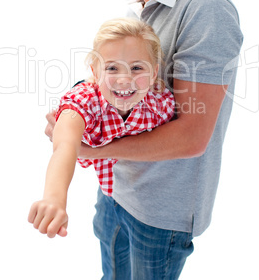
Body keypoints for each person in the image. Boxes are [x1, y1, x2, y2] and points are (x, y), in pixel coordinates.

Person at [44, 0, 243, 279]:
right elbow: (110, 82)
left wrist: (92, 150)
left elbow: (192, 136)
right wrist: (75, 110)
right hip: (118, 192)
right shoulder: (148, 4)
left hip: (160, 215)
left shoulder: (205, 10)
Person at [29, 17, 175, 238]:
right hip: (109, 197)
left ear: (154, 73)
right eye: (112, 68)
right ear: (96, 73)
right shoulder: (83, 101)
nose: (124, 79)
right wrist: (54, 198)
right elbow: (65, 147)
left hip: (150, 208)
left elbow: (177, 140)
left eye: (136, 68)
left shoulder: (160, 103)